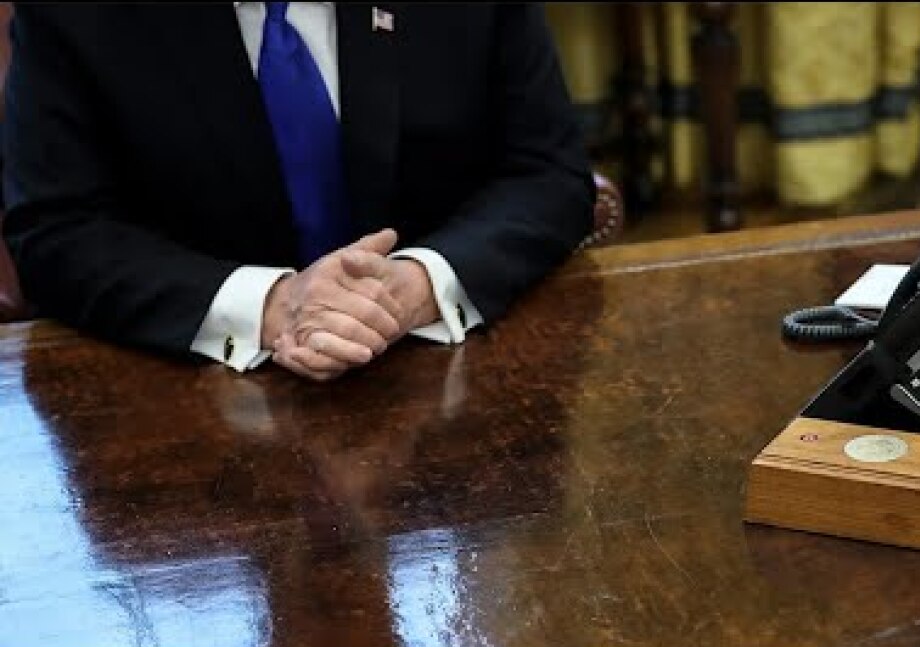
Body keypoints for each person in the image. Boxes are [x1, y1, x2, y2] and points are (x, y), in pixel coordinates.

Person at [1, 2, 595, 381]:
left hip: (445, 378)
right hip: (185, 408)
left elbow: (547, 172)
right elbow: (57, 230)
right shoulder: (72, 14)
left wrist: (415, 287)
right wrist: (273, 306)